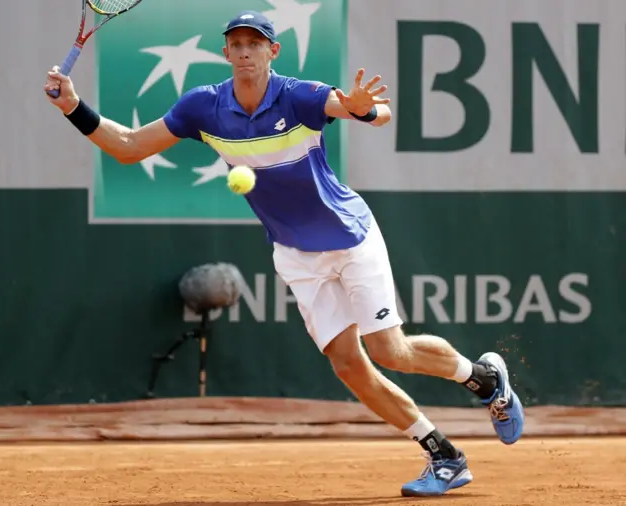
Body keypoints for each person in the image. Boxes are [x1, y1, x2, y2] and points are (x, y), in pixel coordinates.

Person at [45, 10, 524, 497]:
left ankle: (483, 377)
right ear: (226, 52)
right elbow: (128, 146)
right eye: (238, 43)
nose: (247, 51)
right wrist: (73, 107)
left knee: (389, 351)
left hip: (350, 236)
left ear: (274, 51)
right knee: (347, 365)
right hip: (294, 252)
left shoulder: (299, 96)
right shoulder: (203, 108)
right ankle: (443, 455)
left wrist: (361, 107)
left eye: (257, 43)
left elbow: (377, 113)